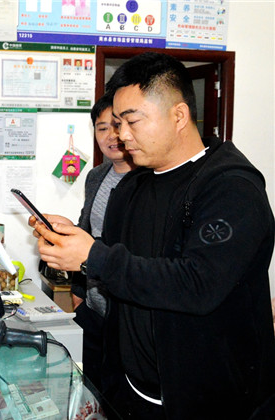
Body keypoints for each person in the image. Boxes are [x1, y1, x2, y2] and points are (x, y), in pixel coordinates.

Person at [33, 52, 275, 419]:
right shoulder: (131, 187)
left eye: (132, 121)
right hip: (131, 390)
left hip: (209, 400)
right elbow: (120, 272)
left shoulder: (232, 188)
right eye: (117, 124)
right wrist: (70, 248)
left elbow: (198, 284)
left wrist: (93, 256)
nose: (121, 135)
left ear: (178, 115)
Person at [67, 94, 136, 386]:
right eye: (102, 128)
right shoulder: (96, 176)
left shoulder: (148, 179)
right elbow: (87, 233)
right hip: (92, 309)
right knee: (90, 390)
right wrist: (78, 294)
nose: (111, 136)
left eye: (116, 126)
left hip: (126, 317)